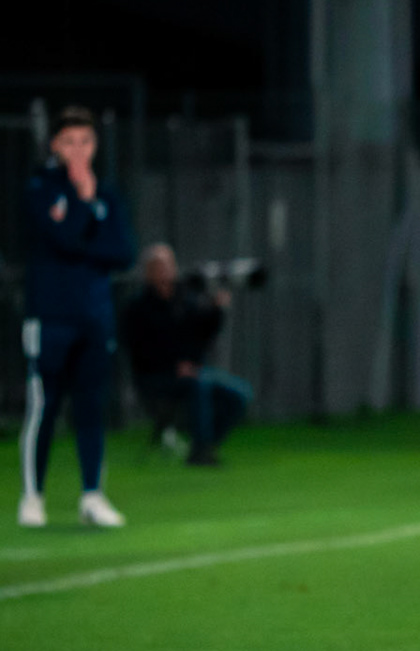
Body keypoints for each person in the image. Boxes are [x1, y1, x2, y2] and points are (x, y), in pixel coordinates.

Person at [18, 106, 136, 528]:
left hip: (94, 316)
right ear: (55, 145)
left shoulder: (108, 192)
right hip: (50, 316)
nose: (78, 150)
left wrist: (86, 216)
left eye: (85, 141)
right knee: (45, 406)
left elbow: (123, 251)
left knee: (90, 407)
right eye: (69, 142)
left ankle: (92, 495)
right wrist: (86, 211)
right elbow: (62, 241)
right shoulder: (40, 190)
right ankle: (33, 496)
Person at [121, 244, 252, 466]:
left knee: (239, 394)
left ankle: (207, 444)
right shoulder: (138, 308)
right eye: (159, 267)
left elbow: (202, 332)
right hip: (156, 377)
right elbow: (139, 350)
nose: (166, 271)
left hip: (193, 371)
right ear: (148, 272)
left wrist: (217, 310)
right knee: (197, 385)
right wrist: (174, 366)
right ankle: (200, 452)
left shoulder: (185, 298)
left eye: (169, 265)